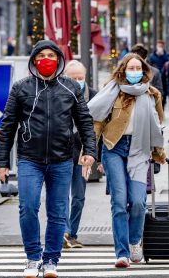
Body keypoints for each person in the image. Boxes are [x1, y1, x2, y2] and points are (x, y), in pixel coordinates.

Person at [0, 40, 97, 278]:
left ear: (59, 59)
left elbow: (85, 122)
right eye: (41, 55)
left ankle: (51, 259)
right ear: (33, 60)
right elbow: (8, 126)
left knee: (58, 212)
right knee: (28, 207)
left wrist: (90, 151)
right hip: (30, 159)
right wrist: (1, 163)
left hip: (62, 160)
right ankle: (32, 258)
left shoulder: (71, 87)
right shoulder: (21, 88)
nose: (47, 59)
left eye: (51, 55)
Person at [87, 53, 166, 268]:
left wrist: (159, 152)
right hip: (114, 148)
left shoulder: (152, 94)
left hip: (140, 149)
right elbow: (97, 121)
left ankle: (134, 242)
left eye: (137, 68)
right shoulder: (112, 92)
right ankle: (121, 253)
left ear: (144, 71)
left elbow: (158, 125)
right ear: (123, 70)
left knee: (139, 202)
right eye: (130, 68)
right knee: (119, 202)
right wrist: (89, 151)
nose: (134, 72)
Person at [62, 60, 98, 250]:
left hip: (83, 154)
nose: (77, 81)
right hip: (62, 153)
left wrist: (97, 157)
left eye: (80, 78)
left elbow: (98, 129)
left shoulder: (94, 96)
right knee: (61, 195)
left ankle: (72, 233)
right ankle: (64, 232)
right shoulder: (59, 93)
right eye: (72, 78)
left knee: (78, 196)